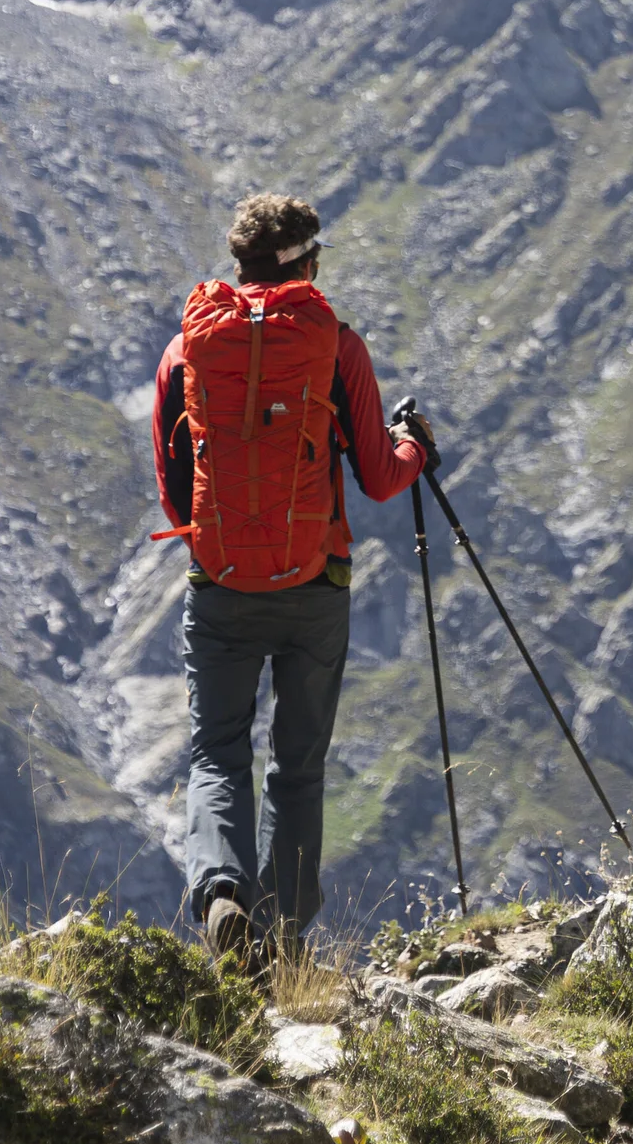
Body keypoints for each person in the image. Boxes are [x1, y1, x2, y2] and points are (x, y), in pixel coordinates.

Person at [152, 192, 431, 964]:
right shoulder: (334, 345)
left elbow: (177, 487)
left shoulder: (188, 350)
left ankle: (221, 894)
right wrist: (415, 447)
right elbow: (378, 476)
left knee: (217, 753)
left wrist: (223, 550)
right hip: (313, 587)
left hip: (221, 587)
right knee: (297, 768)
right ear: (306, 263)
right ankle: (280, 937)